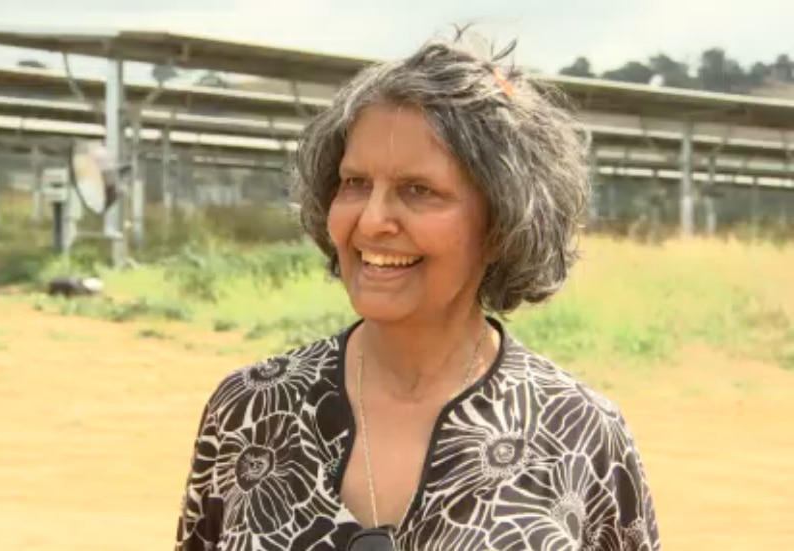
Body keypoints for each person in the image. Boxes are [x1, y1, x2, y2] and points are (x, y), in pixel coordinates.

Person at [174, 31, 660, 551]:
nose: (373, 220)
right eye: (355, 183)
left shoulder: (580, 435)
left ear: (503, 220)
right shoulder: (251, 411)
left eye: (418, 190)